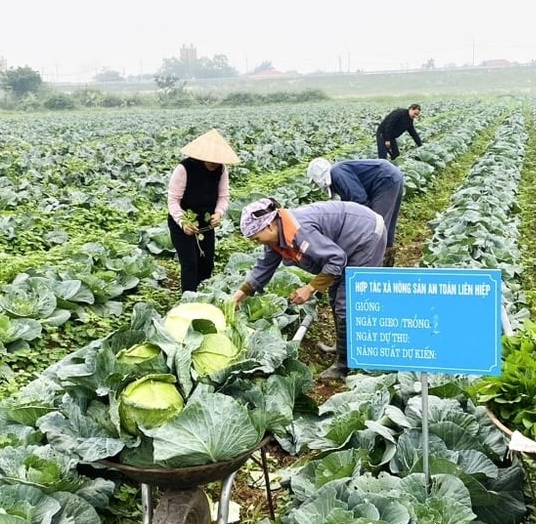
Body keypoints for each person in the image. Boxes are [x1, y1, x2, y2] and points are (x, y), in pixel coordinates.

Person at [232, 196, 386, 381]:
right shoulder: (277, 234)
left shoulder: (299, 230)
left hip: (364, 236)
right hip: (345, 243)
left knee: (348, 303)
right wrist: (240, 294)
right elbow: (265, 266)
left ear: (269, 226)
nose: (258, 242)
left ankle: (345, 364)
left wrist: (310, 288)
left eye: (256, 238)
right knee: (335, 295)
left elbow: (336, 259)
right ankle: (345, 347)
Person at [167, 129, 240, 292]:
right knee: (190, 264)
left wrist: (219, 213)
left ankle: (204, 296)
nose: (214, 163)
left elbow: (223, 196)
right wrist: (183, 221)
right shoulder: (184, 168)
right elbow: (173, 200)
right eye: (211, 159)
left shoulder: (221, 170)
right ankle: (188, 301)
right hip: (183, 224)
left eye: (218, 159)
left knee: (207, 263)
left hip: (206, 224)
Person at [306, 157, 404, 266]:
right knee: (386, 225)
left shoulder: (337, 173)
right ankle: (386, 262)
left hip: (385, 178)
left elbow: (359, 199)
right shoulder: (337, 174)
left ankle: (377, 265)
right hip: (391, 176)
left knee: (378, 226)